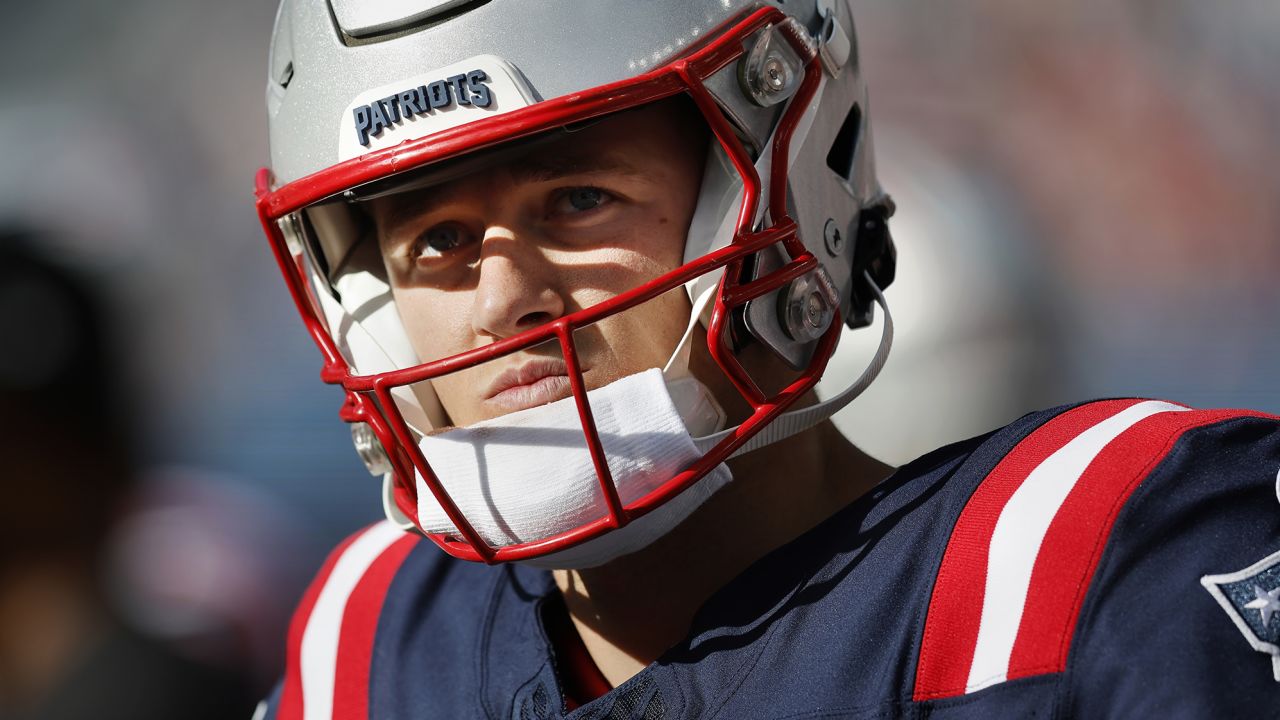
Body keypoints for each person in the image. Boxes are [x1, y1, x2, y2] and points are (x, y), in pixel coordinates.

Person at [250, 2, 1280, 718]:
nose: (500, 296)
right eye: (437, 242)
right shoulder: (370, 651)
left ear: (781, 187)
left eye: (576, 201)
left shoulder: (1083, 568)